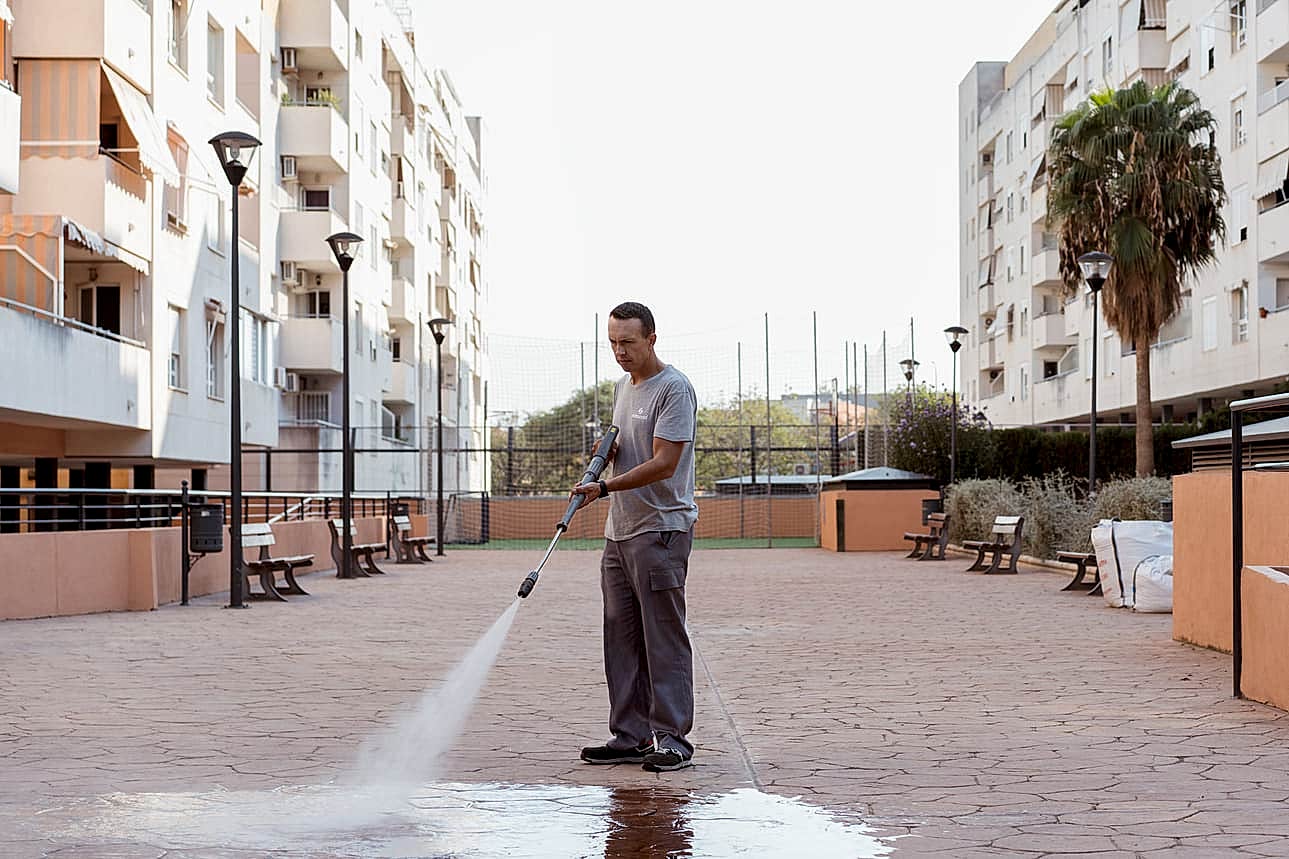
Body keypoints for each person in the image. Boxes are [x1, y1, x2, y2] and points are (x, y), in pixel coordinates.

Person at [570, 301, 699, 772]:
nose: (619, 352)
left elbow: (665, 462)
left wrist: (604, 486)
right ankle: (630, 735)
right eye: (612, 343)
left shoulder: (674, 389)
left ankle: (673, 740)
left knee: (662, 637)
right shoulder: (625, 388)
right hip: (619, 535)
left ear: (651, 339)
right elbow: (628, 444)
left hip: (660, 531)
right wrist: (605, 455)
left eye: (628, 342)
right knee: (620, 638)